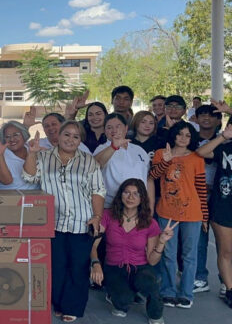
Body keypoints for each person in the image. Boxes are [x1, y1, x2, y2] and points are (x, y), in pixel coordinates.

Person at [23, 120, 106, 322]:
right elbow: (29, 176)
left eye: (75, 136)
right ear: (58, 137)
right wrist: (32, 153)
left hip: (81, 221)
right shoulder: (43, 156)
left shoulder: (88, 161)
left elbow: (98, 191)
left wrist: (97, 216)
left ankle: (73, 307)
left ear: (80, 141)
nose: (70, 139)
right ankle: (59, 303)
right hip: (52, 222)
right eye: (66, 135)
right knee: (57, 266)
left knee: (78, 266)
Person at [89, 179, 172, 324]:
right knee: (122, 304)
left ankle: (155, 314)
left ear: (142, 198)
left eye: (136, 194)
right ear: (120, 195)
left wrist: (162, 242)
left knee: (149, 284)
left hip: (140, 267)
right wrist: (95, 263)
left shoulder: (150, 223)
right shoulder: (108, 216)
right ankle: (121, 293)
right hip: (114, 267)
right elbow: (93, 245)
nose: (131, 197)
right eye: (126, 192)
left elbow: (152, 260)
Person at [149, 121, 207, 309]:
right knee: (168, 253)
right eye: (180, 134)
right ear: (173, 135)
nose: (183, 138)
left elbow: (200, 189)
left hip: (193, 214)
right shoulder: (160, 153)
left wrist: (204, 215)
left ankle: (186, 293)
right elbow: (153, 175)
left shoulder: (197, 158)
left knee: (190, 255)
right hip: (166, 211)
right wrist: (166, 160)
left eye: (188, 135)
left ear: (192, 138)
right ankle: (168, 291)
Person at [195, 118, 232, 305]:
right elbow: (201, 152)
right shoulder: (225, 148)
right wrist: (223, 137)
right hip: (223, 206)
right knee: (225, 251)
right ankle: (229, 289)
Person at [93, 113, 150, 209]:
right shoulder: (102, 148)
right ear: (104, 130)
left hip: (138, 206)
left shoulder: (138, 150)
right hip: (111, 205)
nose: (114, 130)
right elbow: (94, 165)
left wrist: (149, 206)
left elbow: (148, 178)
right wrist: (113, 147)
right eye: (109, 127)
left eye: (118, 126)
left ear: (126, 128)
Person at [0, 121, 38, 190]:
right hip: (11, 197)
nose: (12, 139)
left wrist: (32, 153)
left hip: (35, 197)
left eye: (16, 135)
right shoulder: (2, 154)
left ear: (24, 134)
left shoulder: (33, 148)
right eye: (7, 137)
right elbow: (6, 181)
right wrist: (0, 156)